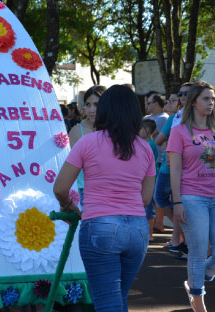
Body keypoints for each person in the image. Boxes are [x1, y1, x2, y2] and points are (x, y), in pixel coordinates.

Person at [53, 85, 156, 312]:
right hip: (137, 229)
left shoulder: (87, 142)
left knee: (108, 302)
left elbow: (60, 188)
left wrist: (70, 206)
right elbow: (146, 198)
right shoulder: (145, 148)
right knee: (119, 298)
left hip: (100, 226)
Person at [167, 81, 214, 312]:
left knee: (204, 257)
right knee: (197, 250)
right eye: (206, 98)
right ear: (194, 101)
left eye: (213, 99)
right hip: (192, 197)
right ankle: (198, 300)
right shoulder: (179, 131)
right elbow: (174, 169)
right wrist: (177, 202)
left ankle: (202, 273)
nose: (211, 103)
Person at [154, 92, 185, 248]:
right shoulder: (174, 118)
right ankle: (180, 236)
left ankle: (183, 235)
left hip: (174, 167)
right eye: (181, 94)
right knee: (176, 203)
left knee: (163, 198)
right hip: (172, 165)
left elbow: (159, 140)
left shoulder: (175, 119)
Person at [68, 85, 106, 203]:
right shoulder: (76, 131)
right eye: (88, 104)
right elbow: (70, 166)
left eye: (96, 104)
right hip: (85, 190)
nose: (91, 110)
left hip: (112, 191)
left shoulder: (116, 130)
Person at [139, 119, 158, 240]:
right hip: (146, 178)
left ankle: (150, 234)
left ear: (146, 130)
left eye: (140, 128)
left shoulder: (149, 145)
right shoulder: (149, 143)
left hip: (148, 179)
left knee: (148, 208)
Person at [144, 92, 169, 166]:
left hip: (157, 160)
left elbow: (145, 134)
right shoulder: (146, 117)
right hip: (147, 157)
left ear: (156, 104)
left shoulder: (163, 118)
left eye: (148, 103)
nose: (146, 105)